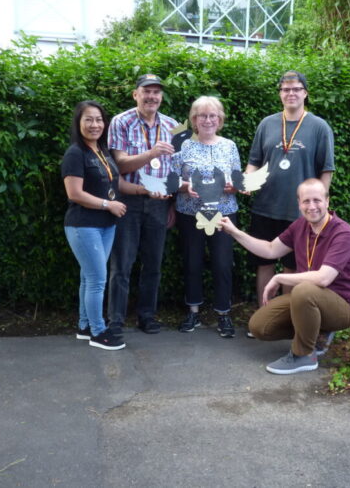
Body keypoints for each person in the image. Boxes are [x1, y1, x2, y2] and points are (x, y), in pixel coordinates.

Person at [219, 179, 350, 374]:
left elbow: (323, 279)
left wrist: (279, 278)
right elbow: (270, 250)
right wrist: (234, 232)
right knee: (260, 326)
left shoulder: (342, 232)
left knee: (304, 290)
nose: (312, 206)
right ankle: (317, 333)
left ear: (327, 201)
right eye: (306, 201)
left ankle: (304, 355)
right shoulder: (300, 226)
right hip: (309, 300)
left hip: (341, 305)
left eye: (317, 200)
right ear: (299, 203)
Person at [245, 70, 335, 315]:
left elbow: (326, 169)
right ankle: (264, 315)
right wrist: (248, 182)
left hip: (299, 212)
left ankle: (287, 317)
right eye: (285, 89)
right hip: (265, 206)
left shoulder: (319, 126)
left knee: (292, 268)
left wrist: (319, 205)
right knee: (264, 263)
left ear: (305, 93)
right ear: (280, 94)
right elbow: (254, 160)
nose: (291, 93)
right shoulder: (267, 123)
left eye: (296, 89)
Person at [62, 100, 145, 351]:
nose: (95, 124)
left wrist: (144, 190)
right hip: (83, 225)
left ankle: (85, 326)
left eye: (98, 119)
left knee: (89, 279)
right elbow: (74, 193)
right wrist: (108, 206)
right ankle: (99, 332)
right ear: (78, 123)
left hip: (106, 225)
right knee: (98, 280)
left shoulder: (102, 150)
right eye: (88, 119)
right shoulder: (75, 153)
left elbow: (115, 185)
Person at [107, 74, 178, 335]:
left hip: (159, 205)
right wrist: (152, 153)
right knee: (122, 264)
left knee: (153, 264)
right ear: (135, 94)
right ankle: (115, 320)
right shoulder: (121, 122)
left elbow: (176, 169)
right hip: (128, 201)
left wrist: (172, 203)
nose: (152, 97)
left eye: (156, 92)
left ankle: (147, 316)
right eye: (146, 91)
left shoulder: (173, 125)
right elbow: (120, 166)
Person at [171, 96, 241, 338]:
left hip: (224, 213)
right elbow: (171, 179)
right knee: (192, 262)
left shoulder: (229, 145)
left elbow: (237, 177)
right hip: (190, 213)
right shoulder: (183, 145)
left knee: (222, 264)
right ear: (194, 120)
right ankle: (193, 310)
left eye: (213, 116)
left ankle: (223, 314)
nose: (208, 120)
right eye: (203, 115)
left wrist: (234, 185)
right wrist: (184, 186)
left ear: (220, 120)